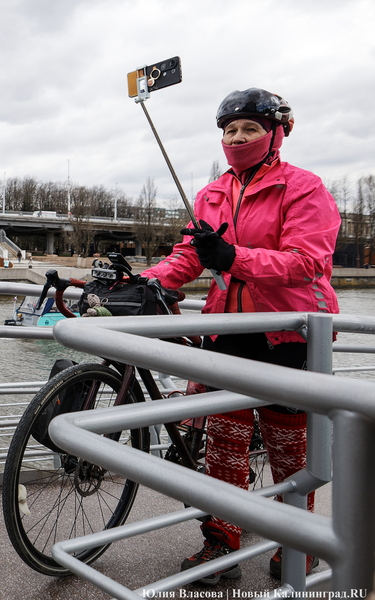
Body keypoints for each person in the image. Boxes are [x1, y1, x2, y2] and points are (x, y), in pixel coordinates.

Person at [142, 88, 339, 585]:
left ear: (277, 132)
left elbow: (308, 262)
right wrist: (150, 280)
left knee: (289, 451)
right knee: (225, 445)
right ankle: (220, 538)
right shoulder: (212, 192)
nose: (237, 138)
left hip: (288, 336)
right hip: (228, 332)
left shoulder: (304, 187)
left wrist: (235, 258)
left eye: (249, 128)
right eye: (229, 130)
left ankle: (298, 540)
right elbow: (190, 255)